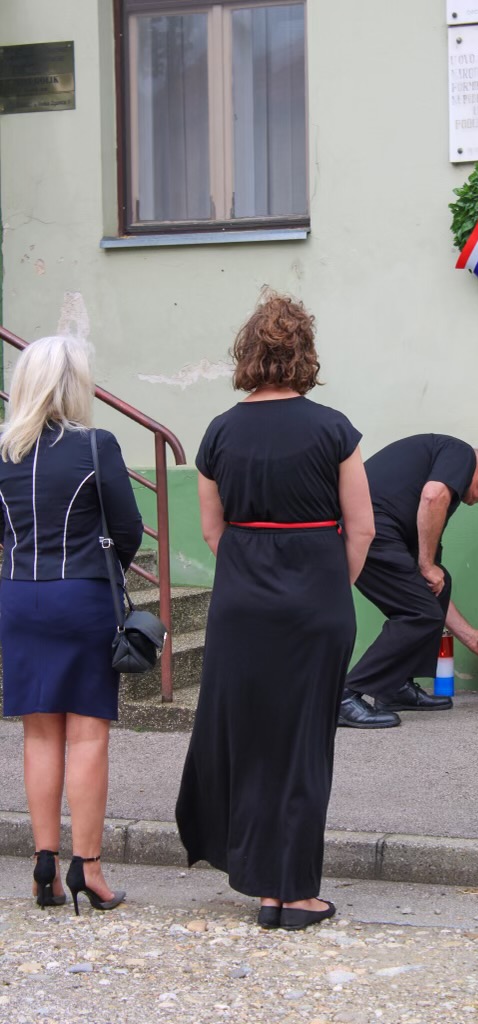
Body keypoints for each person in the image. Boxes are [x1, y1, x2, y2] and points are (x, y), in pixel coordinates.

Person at [175, 292, 375, 930]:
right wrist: (327, 587)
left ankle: (266, 887)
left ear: (248, 353)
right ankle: (297, 893)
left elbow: (213, 531)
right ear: (305, 353)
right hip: (316, 605)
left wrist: (252, 578)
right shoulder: (334, 428)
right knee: (305, 745)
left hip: (242, 606)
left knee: (254, 743)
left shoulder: (219, 431)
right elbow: (362, 528)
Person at [0, 335, 143, 914]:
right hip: (81, 594)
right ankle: (89, 867)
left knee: (38, 733)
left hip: (18, 594)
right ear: (75, 385)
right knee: (86, 734)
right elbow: (128, 529)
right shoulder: (96, 445)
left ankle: (44, 867)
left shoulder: (3, 450)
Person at [338, 435, 478, 728]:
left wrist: (468, 634)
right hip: (369, 529)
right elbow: (432, 496)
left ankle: (394, 686)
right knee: (420, 611)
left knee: (437, 587)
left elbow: (430, 587)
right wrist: (427, 564)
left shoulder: (444, 492)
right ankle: (345, 696)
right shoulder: (461, 454)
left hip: (378, 530)